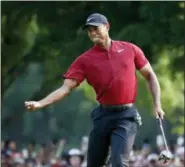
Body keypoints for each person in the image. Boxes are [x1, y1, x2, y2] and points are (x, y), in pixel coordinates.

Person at [25, 13, 165, 167]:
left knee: (119, 163)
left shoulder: (129, 49)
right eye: (89, 30)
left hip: (126, 117)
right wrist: (41, 103)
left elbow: (150, 75)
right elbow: (65, 89)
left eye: (96, 28)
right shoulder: (85, 60)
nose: (93, 33)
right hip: (103, 116)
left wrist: (157, 104)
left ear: (107, 26)